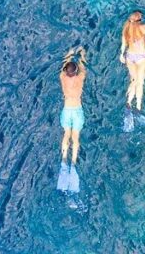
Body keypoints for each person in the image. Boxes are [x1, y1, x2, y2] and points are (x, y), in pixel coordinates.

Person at [57, 47, 86, 193]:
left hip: (66, 110)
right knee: (75, 139)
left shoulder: (62, 78)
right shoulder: (80, 78)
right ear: (75, 72)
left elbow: (64, 64)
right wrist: (81, 53)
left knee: (66, 135)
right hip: (77, 110)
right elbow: (83, 66)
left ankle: (63, 160)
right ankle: (73, 163)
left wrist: (69, 53)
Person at [119, 10, 145, 112]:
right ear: (139, 20)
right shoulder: (144, 28)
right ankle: (138, 105)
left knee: (133, 80)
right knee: (140, 82)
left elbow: (124, 44)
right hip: (141, 57)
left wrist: (121, 55)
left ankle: (129, 102)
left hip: (129, 56)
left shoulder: (126, 28)